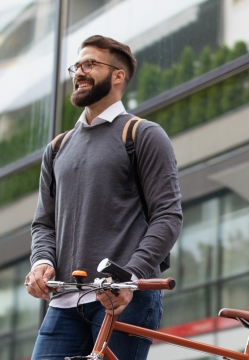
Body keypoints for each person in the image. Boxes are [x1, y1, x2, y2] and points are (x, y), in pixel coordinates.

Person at [24, 35, 182, 360]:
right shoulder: (57, 149)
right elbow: (43, 223)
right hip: (64, 302)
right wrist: (41, 262)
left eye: (90, 64)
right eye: (77, 66)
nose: (79, 72)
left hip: (124, 300)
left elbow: (168, 217)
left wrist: (129, 277)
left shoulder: (142, 135)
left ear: (118, 75)